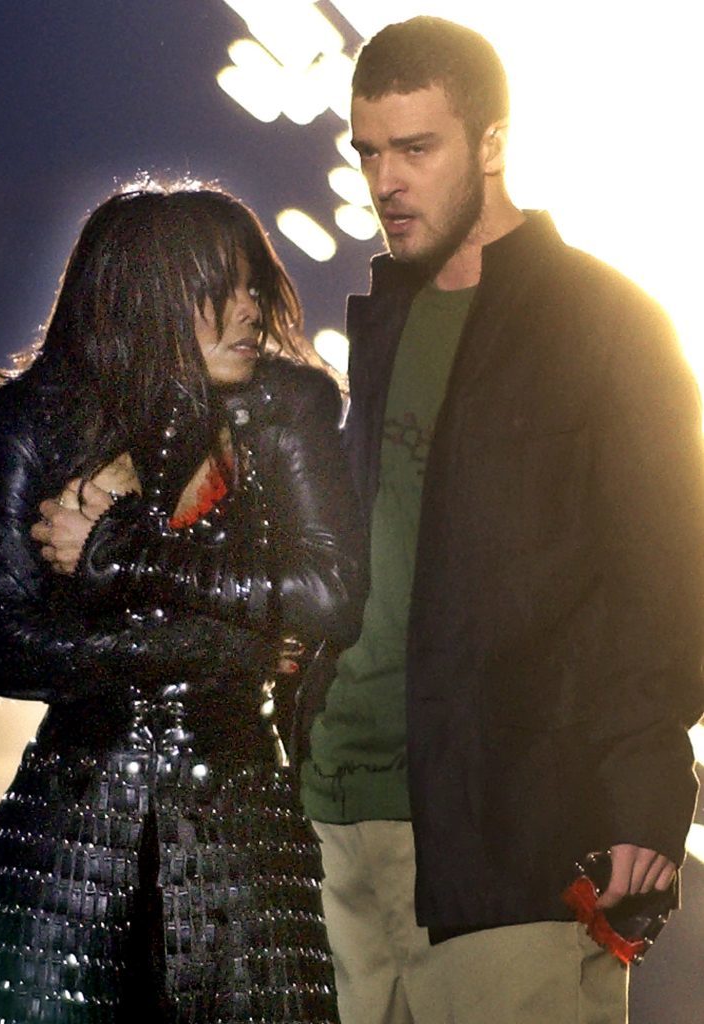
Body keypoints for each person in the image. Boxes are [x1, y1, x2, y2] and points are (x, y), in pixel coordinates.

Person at [297, 15, 704, 1024]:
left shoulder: (606, 322)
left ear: (490, 143)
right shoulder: (381, 321)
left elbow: (669, 576)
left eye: (415, 148)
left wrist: (643, 800)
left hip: (508, 829)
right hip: (335, 820)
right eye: (367, 152)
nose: (384, 180)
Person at [0, 182, 363, 1023]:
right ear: (148, 294)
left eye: (257, 287)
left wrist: (121, 554)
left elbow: (328, 595)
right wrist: (231, 648)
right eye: (223, 289)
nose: (251, 311)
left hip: (241, 826)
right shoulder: (32, 422)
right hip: (70, 837)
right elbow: (5, 649)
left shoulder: (286, 408)